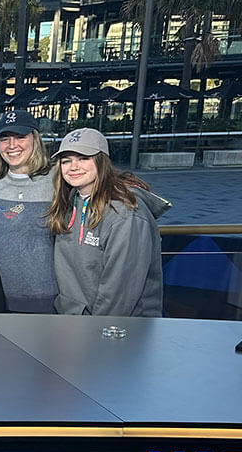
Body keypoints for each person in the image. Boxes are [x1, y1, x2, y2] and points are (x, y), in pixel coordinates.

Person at [46, 128, 169, 317]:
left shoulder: (125, 214)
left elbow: (120, 291)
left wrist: (97, 333)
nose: (73, 167)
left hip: (118, 330)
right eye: (66, 161)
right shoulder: (70, 202)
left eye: (83, 158)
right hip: (75, 325)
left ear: (102, 162)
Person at [0, 110, 56, 312]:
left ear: (35, 139)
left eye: (20, 137)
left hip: (47, 297)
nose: (12, 145)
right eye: (5, 139)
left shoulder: (58, 180)